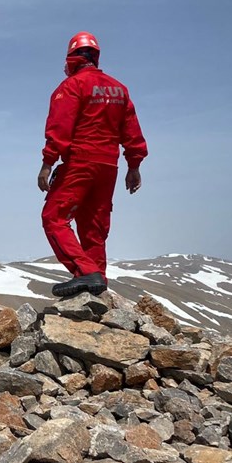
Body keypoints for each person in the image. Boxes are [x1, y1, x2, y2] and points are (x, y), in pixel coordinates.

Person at [38, 32, 148, 298]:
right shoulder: (119, 89)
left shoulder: (71, 87)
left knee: (54, 217)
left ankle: (86, 272)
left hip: (80, 162)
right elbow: (132, 131)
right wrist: (134, 166)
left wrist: (48, 163)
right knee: (93, 228)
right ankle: (97, 288)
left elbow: (60, 128)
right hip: (108, 168)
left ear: (72, 57)